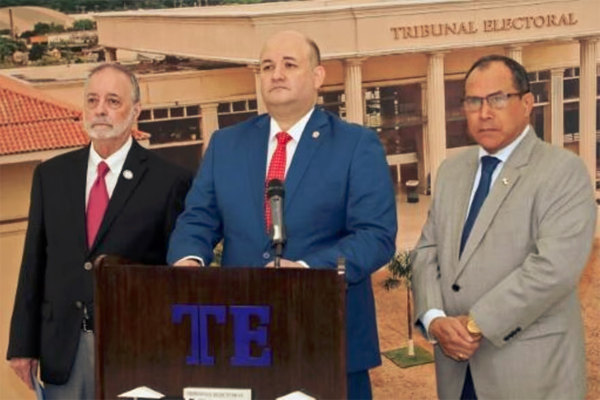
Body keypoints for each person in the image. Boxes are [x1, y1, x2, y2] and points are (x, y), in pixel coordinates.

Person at [167, 30, 397, 399]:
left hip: (328, 338)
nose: (276, 74)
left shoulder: (357, 145)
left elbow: (376, 236)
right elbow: (197, 219)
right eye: (267, 66)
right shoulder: (225, 144)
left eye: (289, 65)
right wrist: (188, 264)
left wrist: (306, 272)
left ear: (318, 77)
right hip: (242, 339)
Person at [412, 54, 597, 399]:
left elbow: (552, 270)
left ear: (527, 103)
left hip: (529, 373)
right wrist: (435, 317)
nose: (484, 112)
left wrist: (472, 325)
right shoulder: (451, 171)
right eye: (473, 101)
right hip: (456, 370)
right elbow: (426, 251)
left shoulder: (563, 171)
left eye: (498, 99)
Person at [7, 63, 192, 399]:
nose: (100, 110)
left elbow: (174, 276)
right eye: (92, 100)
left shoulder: (170, 181)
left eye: (112, 101)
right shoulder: (51, 176)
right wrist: (21, 344)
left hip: (137, 351)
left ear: (135, 111)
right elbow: (33, 264)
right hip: (63, 348)